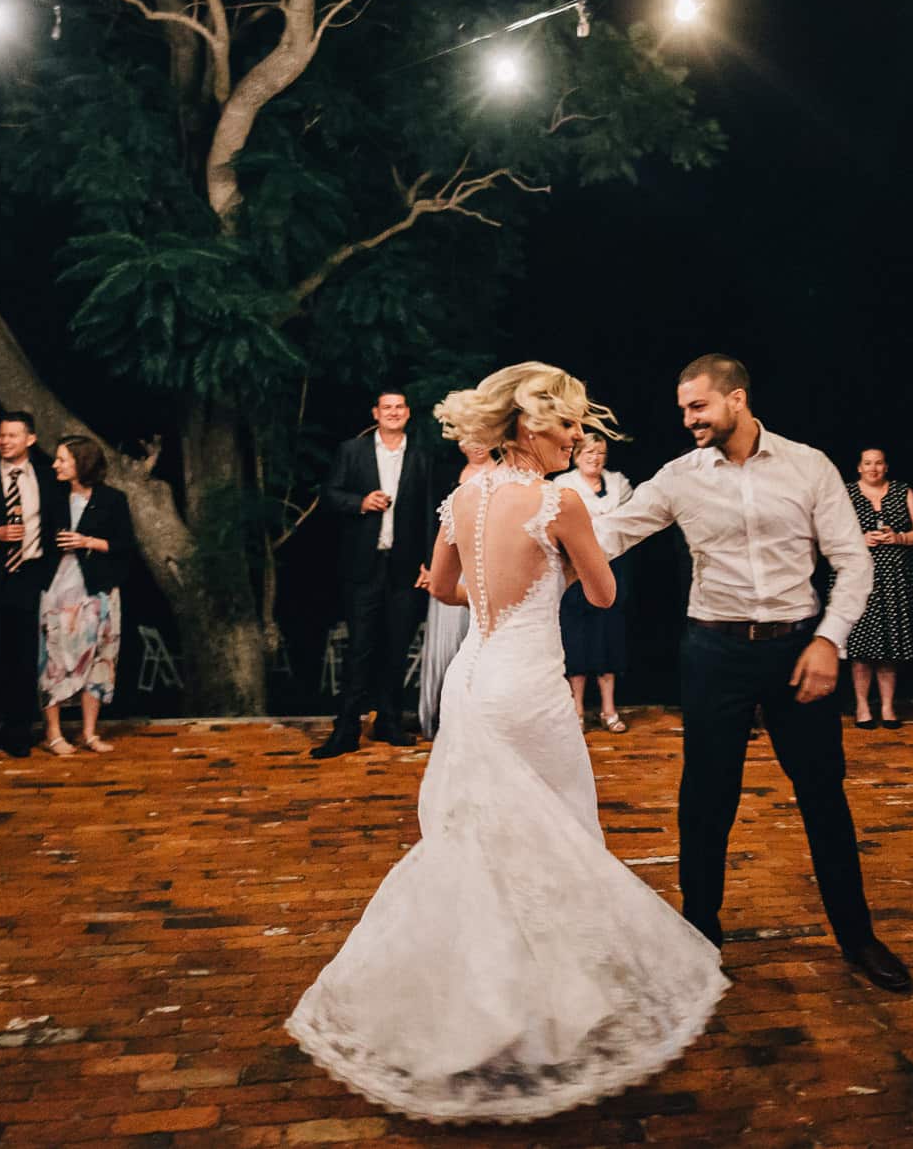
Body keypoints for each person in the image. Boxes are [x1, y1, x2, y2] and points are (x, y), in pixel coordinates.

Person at [287, 363, 728, 1123]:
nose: (580, 438)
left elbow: (450, 588)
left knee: (478, 847)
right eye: (569, 426)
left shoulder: (463, 494)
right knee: (556, 844)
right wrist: (564, 558)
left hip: (472, 681)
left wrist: (500, 579)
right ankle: (539, 1012)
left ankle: (483, 1006)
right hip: (527, 691)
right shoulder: (558, 500)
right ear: (531, 428)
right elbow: (603, 593)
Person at [597, 355, 912, 994]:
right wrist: (521, 540)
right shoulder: (680, 477)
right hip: (714, 653)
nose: (687, 420)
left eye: (698, 407)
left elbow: (853, 562)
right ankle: (700, 939)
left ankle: (858, 937)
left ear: (736, 399)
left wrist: (828, 642)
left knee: (824, 795)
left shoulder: (809, 465)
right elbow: (611, 533)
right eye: (684, 409)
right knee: (706, 801)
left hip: (799, 650)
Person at [314, 391, 436, 758]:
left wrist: (430, 564)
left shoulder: (421, 455)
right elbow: (329, 494)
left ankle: (389, 721)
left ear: (408, 413)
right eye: (387, 408)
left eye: (400, 407)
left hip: (405, 567)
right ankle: (346, 729)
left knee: (397, 647)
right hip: (363, 565)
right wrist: (360, 502)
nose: (394, 413)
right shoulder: (352, 451)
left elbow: (431, 512)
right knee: (361, 648)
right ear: (376, 413)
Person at [0, 411, 63, 760]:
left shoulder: (48, 480)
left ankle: (19, 731)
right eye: (1, 435)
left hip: (29, 575)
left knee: (23, 656)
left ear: (30, 439)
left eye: (12, 436)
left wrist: (46, 573)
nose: (4, 441)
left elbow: (56, 528)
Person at [37, 436, 134, 756]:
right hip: (58, 590)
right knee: (53, 660)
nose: (55, 465)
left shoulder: (112, 500)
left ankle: (89, 733)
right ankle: (54, 733)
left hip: (97, 590)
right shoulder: (52, 497)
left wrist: (86, 541)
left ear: (82, 462)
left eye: (62, 459)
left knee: (99, 659)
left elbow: (124, 546)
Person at [843, 447, 913, 730]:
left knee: (890, 648)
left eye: (878, 463)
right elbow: (829, 532)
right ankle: (863, 707)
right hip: (858, 579)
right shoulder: (845, 493)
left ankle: (889, 707)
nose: (873, 468)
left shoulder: (903, 491)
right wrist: (859, 539)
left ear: (886, 467)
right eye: (868, 463)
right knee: (861, 648)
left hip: (894, 578)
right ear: (859, 467)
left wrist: (899, 537)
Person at [556, 435, 635, 733]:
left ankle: (608, 709)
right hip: (576, 569)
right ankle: (576, 709)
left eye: (601, 452)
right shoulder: (563, 485)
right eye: (589, 451)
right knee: (576, 637)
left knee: (609, 635)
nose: (595, 457)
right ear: (577, 455)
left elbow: (628, 523)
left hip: (614, 568)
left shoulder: (619, 484)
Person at [418, 439, 494, 739]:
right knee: (446, 644)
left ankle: (482, 721)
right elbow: (431, 521)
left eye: (482, 437)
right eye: (468, 439)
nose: (476, 445)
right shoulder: (446, 475)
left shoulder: (505, 474)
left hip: (490, 567)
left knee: (483, 643)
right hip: (452, 566)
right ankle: (440, 716)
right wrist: (429, 566)